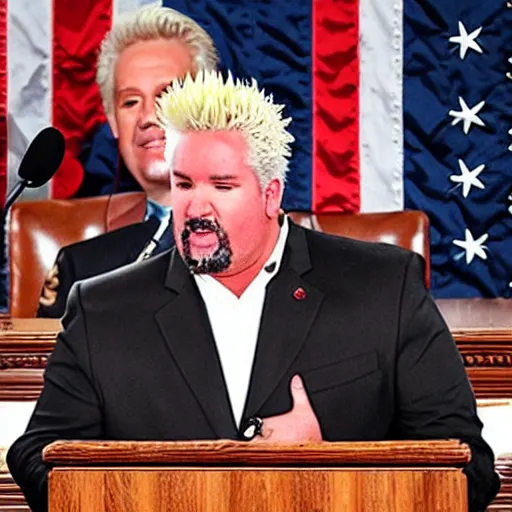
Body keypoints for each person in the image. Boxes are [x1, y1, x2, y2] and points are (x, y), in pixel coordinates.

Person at [9, 70, 499, 512]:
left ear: (271, 195)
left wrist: (330, 465)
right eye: (183, 184)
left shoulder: (385, 287)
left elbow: (468, 470)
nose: (196, 206)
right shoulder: (102, 308)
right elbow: (37, 456)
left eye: (221, 187)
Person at [37, 4, 219, 318]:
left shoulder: (266, 246)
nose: (147, 117)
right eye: (131, 102)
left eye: (167, 95)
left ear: (210, 107)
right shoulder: (81, 271)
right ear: (112, 121)